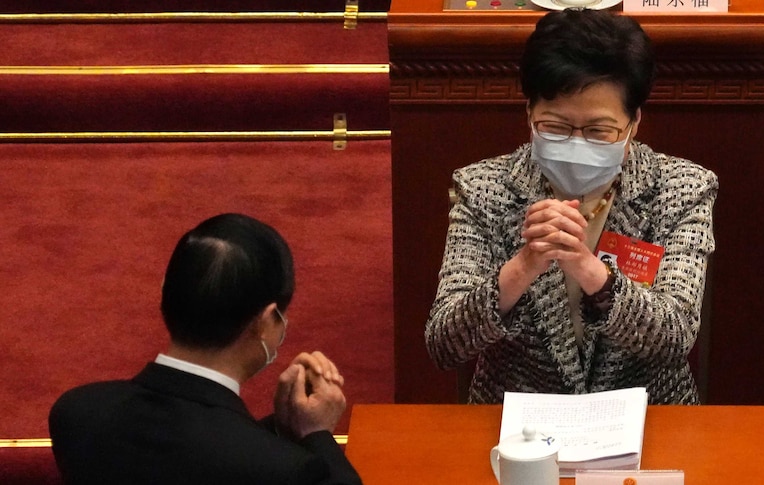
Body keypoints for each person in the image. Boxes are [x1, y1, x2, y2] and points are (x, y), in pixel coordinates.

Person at [425, 9, 718, 405]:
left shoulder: (682, 189)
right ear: (529, 113)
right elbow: (445, 344)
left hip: (649, 419)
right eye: (556, 127)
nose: (576, 143)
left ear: (634, 122)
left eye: (599, 131)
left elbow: (674, 337)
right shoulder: (483, 189)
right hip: (516, 428)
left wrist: (591, 270)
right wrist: (523, 266)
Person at [49, 213, 362, 485]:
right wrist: (316, 433)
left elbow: (197, 447)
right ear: (266, 321)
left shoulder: (76, 413)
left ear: (165, 293)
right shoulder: (282, 468)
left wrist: (280, 428)